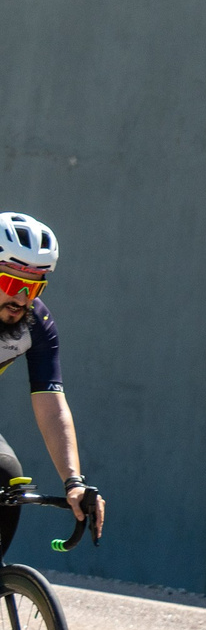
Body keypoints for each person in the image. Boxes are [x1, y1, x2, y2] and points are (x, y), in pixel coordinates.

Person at [0, 213, 105, 557]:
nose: (21, 299)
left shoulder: (36, 326)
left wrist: (73, 480)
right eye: (13, 284)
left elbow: (52, 405)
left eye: (33, 288)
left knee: (7, 472)